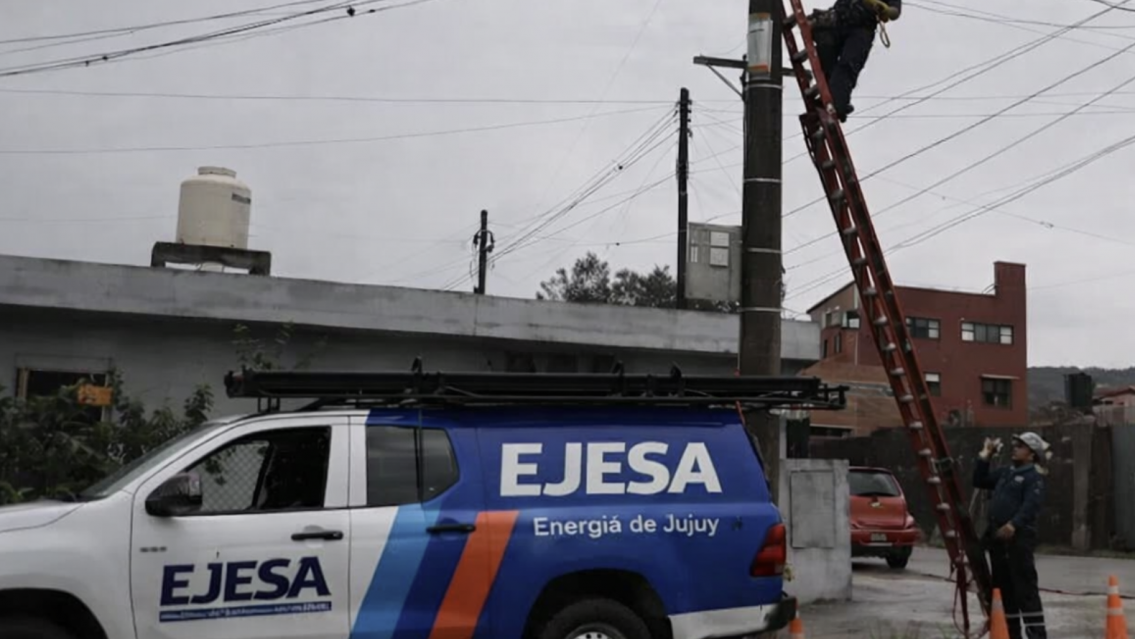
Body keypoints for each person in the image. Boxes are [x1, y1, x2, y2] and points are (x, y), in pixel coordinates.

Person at [973, 432, 1052, 639]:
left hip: (1018, 541)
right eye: (1015, 444)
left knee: (1025, 591)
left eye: (1021, 446)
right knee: (1004, 591)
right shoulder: (1006, 472)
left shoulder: (1033, 476)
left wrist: (1014, 524)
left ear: (1032, 454)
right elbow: (979, 480)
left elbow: (1031, 506)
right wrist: (985, 455)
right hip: (998, 540)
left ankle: (1036, 635)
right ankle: (1010, 634)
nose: (1015, 448)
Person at [809, 0, 901, 122]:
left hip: (862, 27)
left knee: (848, 65)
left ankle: (837, 103)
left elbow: (895, 12)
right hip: (840, 19)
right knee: (826, 53)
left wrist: (885, 9)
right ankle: (831, 96)